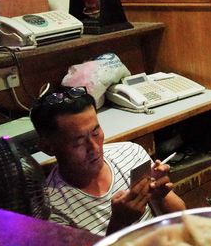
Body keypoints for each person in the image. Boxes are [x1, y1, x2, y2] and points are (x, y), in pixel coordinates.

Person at [30, 86, 186, 236]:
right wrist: (119, 224)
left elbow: (183, 220)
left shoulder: (131, 154)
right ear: (48, 148)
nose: (94, 147)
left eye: (95, 132)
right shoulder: (51, 209)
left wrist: (161, 197)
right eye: (78, 141)